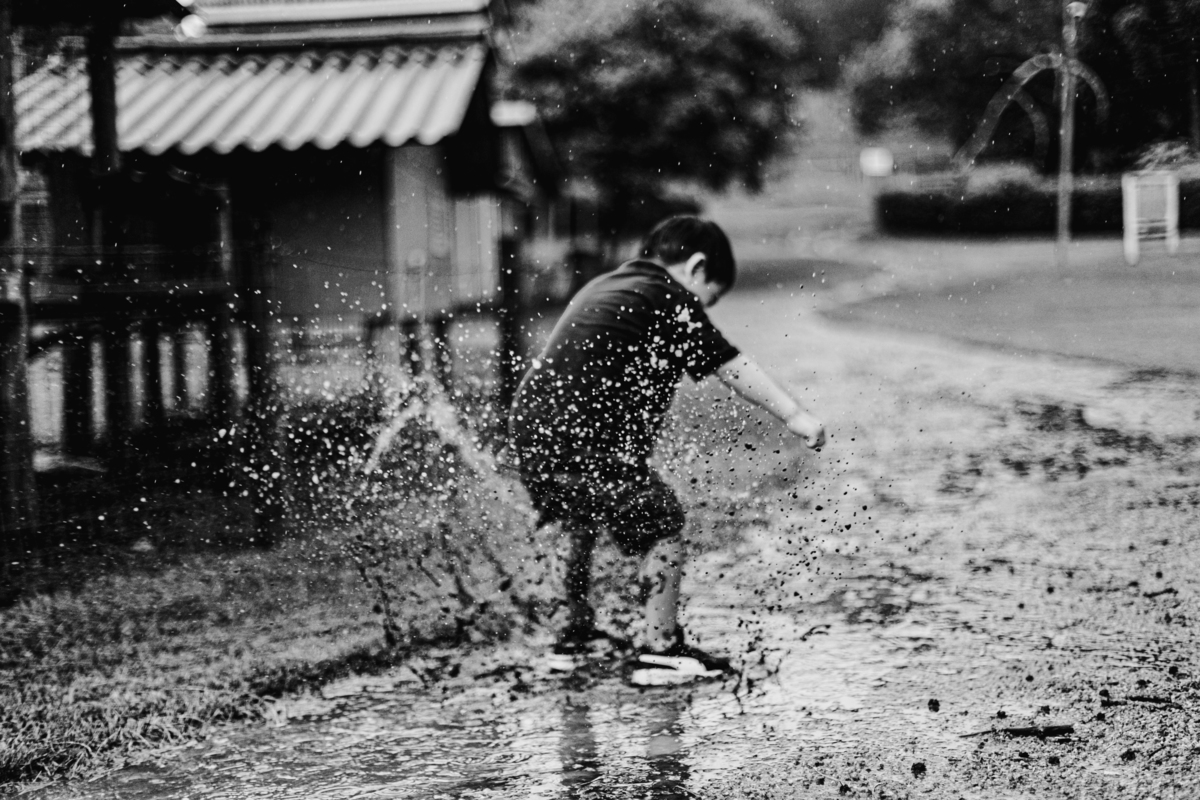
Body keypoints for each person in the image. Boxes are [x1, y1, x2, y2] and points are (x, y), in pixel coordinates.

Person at [508, 215, 825, 685]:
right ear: (696, 268)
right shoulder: (669, 295)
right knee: (663, 523)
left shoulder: (611, 285)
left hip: (533, 431)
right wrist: (794, 416)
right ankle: (659, 650)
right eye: (708, 300)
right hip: (583, 440)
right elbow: (728, 363)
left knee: (577, 521)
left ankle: (572, 640)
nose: (702, 310)